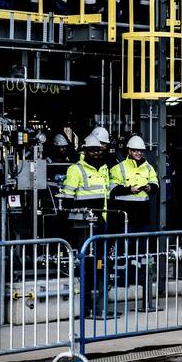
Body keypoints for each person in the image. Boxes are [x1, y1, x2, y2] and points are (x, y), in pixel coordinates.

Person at [62, 134, 111, 315]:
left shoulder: (104, 169)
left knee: (101, 264)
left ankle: (98, 304)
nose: (96, 153)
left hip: (101, 221)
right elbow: (67, 198)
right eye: (92, 150)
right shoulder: (76, 169)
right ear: (85, 151)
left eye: (98, 149)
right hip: (84, 225)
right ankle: (88, 306)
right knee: (88, 266)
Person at [109, 135, 159, 233]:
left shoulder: (149, 168)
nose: (139, 153)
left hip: (143, 214)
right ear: (129, 151)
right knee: (126, 244)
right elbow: (113, 189)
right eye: (135, 150)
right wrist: (129, 190)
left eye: (141, 151)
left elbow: (156, 186)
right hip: (125, 215)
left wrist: (149, 188)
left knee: (142, 244)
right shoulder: (118, 168)